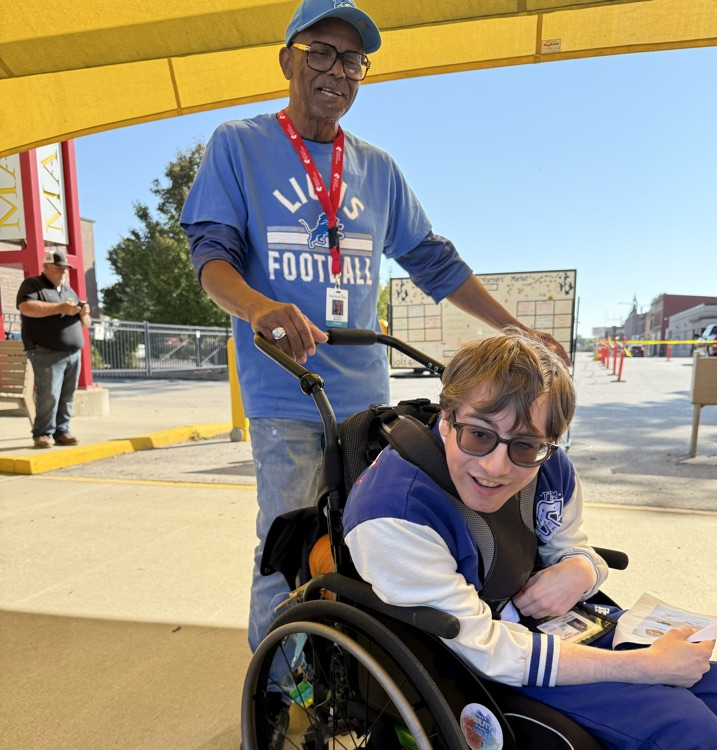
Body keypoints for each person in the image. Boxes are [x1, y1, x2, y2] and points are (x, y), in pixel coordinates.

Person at [180, 0, 571, 678]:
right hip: (287, 390)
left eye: (353, 61)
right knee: (291, 540)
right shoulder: (239, 145)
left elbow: (433, 259)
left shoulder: (377, 169)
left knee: (368, 538)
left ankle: (349, 669)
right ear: (288, 61)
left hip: (367, 396)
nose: (337, 71)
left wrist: (510, 326)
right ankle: (279, 690)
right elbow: (212, 259)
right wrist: (261, 307)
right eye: (321, 54)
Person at [343, 331, 717, 749]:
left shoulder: (551, 468)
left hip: (548, 626)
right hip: (473, 653)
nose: (497, 467)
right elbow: (484, 648)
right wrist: (645, 666)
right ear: (446, 419)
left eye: (525, 445)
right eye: (479, 435)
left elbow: (569, 543)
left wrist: (581, 569)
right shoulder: (393, 512)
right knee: (685, 729)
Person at [16, 250, 91, 449]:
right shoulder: (33, 285)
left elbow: (85, 324)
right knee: (48, 394)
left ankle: (62, 431)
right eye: (58, 269)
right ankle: (42, 433)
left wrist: (84, 313)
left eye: (65, 269)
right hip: (46, 351)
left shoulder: (68, 291)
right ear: (46, 267)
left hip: (73, 353)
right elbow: (26, 307)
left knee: (67, 394)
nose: (63, 272)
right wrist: (60, 308)